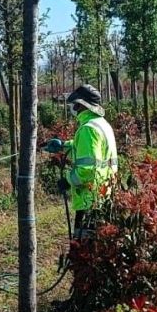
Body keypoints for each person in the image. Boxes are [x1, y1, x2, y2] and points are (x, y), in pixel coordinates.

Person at [41, 84, 118, 238]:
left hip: (89, 199)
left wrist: (68, 181)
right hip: (104, 194)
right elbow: (87, 150)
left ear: (81, 105)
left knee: (84, 247)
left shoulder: (87, 129)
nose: (73, 108)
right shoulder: (101, 124)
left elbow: (87, 168)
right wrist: (63, 146)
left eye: (75, 104)